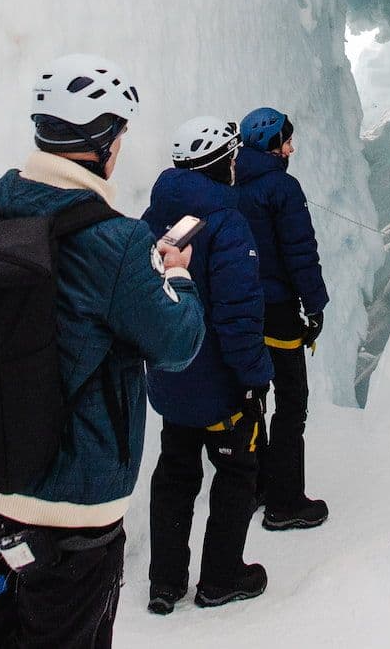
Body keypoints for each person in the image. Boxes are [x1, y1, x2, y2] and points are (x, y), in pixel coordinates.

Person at [0, 55, 205, 649]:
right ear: (104, 140)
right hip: (66, 515)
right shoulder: (116, 242)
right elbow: (178, 344)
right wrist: (177, 276)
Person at [141, 116, 274, 614]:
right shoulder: (227, 224)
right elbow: (239, 315)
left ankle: (165, 581)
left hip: (172, 378)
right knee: (238, 470)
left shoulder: (152, 218)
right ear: (220, 164)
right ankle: (221, 577)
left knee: (175, 472)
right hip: (220, 385)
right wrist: (255, 379)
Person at [231, 106, 331, 530]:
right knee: (292, 401)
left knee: (253, 397)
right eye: (286, 140)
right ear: (272, 144)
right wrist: (315, 304)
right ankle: (285, 501)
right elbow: (299, 253)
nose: (291, 147)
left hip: (243, 310)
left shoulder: (230, 183)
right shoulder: (282, 188)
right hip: (279, 311)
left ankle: (256, 484)